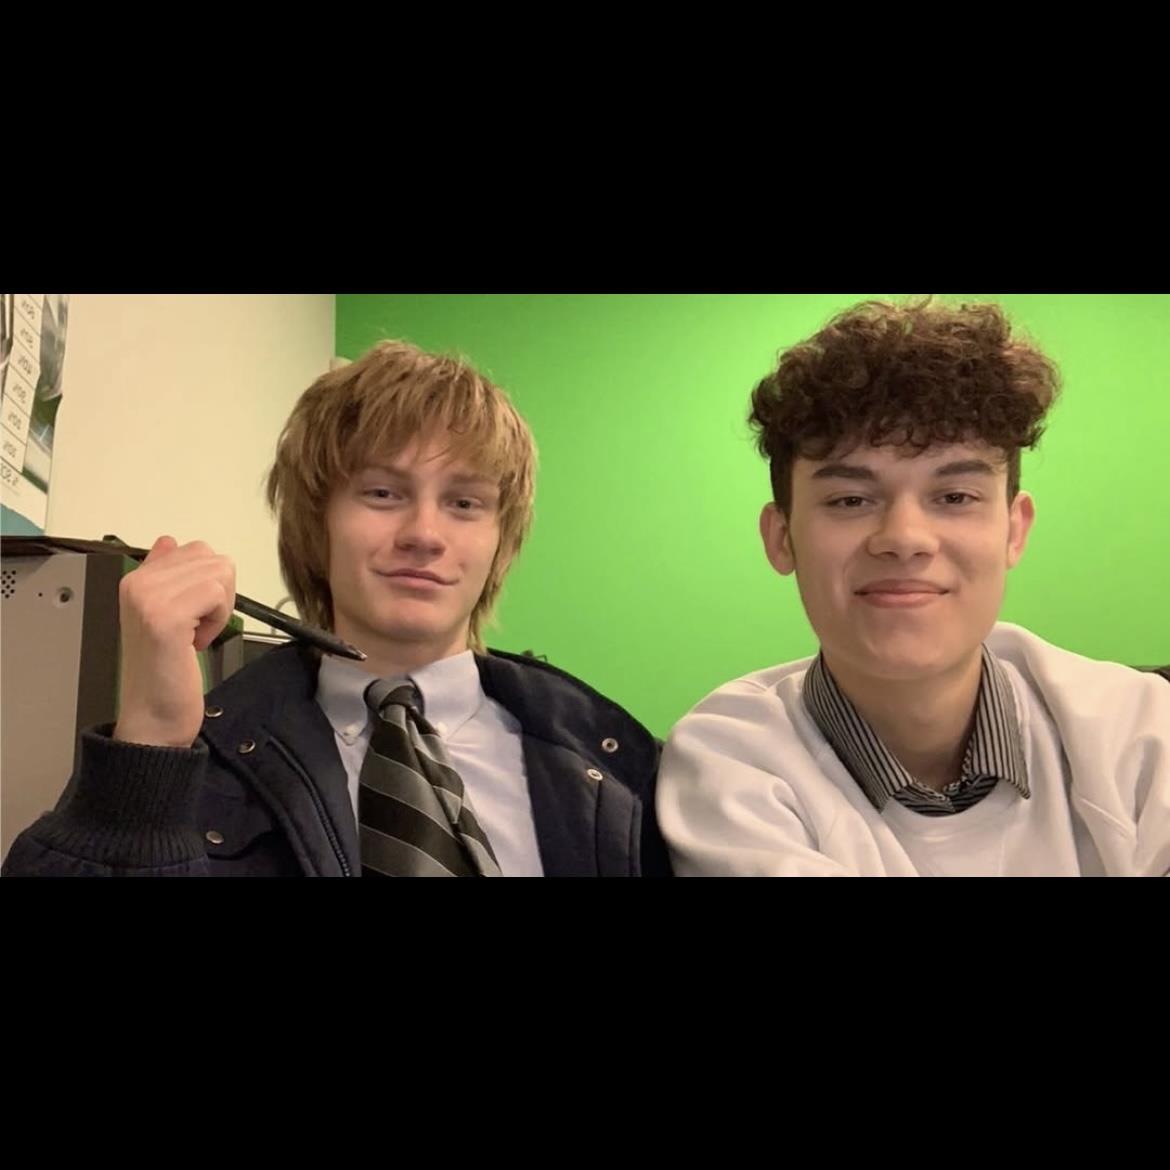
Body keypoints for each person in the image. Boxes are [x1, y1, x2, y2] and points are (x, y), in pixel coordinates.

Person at [5, 341, 670, 876]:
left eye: (465, 503)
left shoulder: (619, 768)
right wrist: (149, 743)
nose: (425, 534)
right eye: (382, 493)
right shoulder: (202, 765)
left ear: (502, 539)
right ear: (314, 523)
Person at [657, 299, 1169, 877]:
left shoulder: (1140, 732)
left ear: (1014, 530)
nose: (904, 538)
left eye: (954, 497)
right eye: (850, 500)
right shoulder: (732, 762)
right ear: (781, 538)